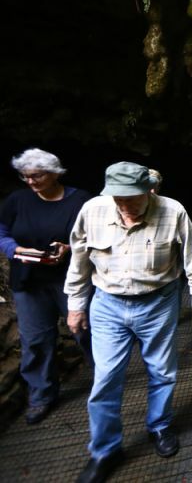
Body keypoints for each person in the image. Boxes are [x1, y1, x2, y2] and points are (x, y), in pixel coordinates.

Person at [64, 162, 192, 483]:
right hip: (107, 304)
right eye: (118, 199)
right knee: (105, 377)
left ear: (150, 190)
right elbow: (78, 259)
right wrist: (76, 304)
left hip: (158, 302)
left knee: (162, 371)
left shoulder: (172, 211)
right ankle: (105, 450)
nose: (125, 206)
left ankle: (159, 426)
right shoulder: (92, 210)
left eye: (132, 198)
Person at [0, 148, 93, 425]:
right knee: (36, 340)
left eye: (36, 175)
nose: (30, 181)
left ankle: (106, 382)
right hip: (29, 280)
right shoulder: (17, 200)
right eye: (25, 176)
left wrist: (69, 247)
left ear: (54, 173)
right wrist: (15, 250)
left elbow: (96, 235)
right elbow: (1, 232)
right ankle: (41, 396)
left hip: (72, 278)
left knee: (86, 331)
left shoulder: (80, 200)